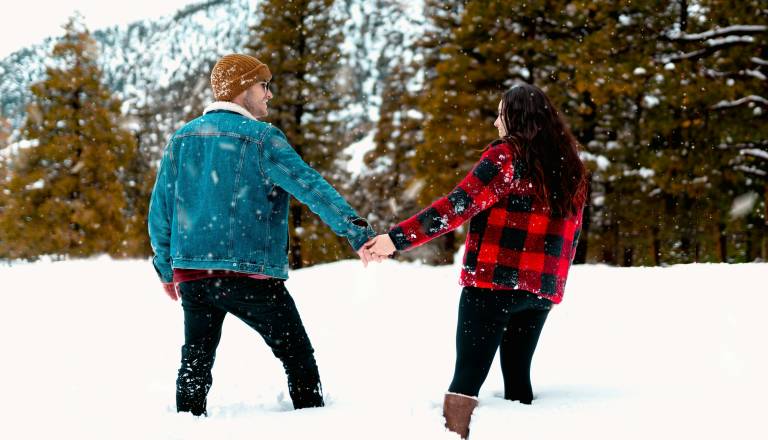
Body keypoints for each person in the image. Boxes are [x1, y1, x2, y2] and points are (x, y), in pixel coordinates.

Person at [148, 53, 376, 416]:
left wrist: (166, 269)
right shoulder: (262, 139)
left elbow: (160, 213)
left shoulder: (182, 138)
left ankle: (186, 426)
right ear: (241, 91)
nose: (269, 94)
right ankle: (314, 422)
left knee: (195, 361)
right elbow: (311, 187)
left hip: (194, 274)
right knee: (297, 355)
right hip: (249, 274)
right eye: (263, 86)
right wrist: (357, 232)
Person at [365, 83, 587, 439]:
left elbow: (456, 206)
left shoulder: (507, 157)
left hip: (493, 285)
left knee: (467, 378)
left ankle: (455, 434)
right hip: (540, 292)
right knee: (518, 379)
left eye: (501, 114)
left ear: (516, 118)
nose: (496, 123)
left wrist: (396, 239)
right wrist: (551, 283)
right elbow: (571, 236)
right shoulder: (571, 166)